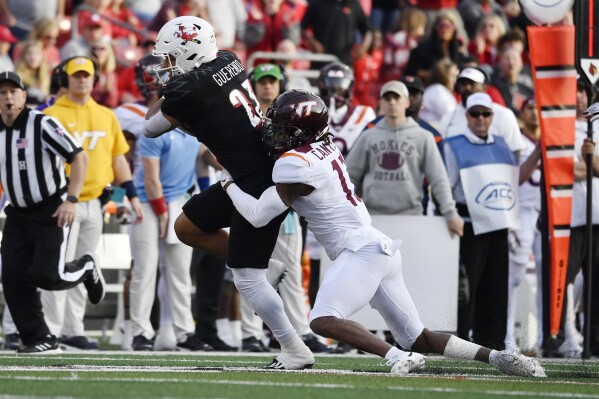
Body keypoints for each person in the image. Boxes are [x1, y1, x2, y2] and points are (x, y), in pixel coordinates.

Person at [220, 89, 545, 377]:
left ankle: (397, 357)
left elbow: (259, 215)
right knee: (419, 337)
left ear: (301, 133)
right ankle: (498, 357)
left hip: (359, 251)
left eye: (282, 129)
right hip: (378, 247)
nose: (274, 134)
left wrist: (229, 184)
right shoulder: (324, 146)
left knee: (321, 320)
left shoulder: (293, 164)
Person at [143, 16, 313, 369]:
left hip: (255, 182)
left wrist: (171, 100)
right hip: (248, 172)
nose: (165, 66)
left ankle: (295, 348)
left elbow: (151, 126)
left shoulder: (188, 90)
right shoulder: (230, 59)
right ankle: (269, 270)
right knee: (186, 227)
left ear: (189, 52)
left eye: (171, 57)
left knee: (246, 279)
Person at [41, 56, 143, 350]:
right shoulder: (52, 114)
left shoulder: (106, 115)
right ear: (65, 79)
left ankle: (74, 328)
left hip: (96, 203)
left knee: (85, 267)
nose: (82, 80)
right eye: (76, 75)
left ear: (94, 79)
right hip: (62, 201)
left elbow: (118, 160)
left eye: (86, 75)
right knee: (58, 268)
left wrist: (130, 196)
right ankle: (51, 329)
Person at [0, 71, 105, 354]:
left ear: (23, 96)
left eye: (13, 91)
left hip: (50, 210)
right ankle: (39, 338)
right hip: (18, 213)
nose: (8, 97)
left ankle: (86, 267)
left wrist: (71, 199)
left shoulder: (42, 123)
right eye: (2, 93)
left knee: (47, 276)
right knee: (11, 277)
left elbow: (79, 156)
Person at [444, 92, 521, 350]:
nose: (480, 119)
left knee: (496, 283)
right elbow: (448, 186)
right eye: (475, 113)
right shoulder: (452, 144)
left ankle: (492, 342)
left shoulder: (502, 144)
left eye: (485, 114)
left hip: (498, 223)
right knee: (468, 287)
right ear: (466, 116)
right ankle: (463, 341)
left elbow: (511, 183)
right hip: (468, 222)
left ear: (492, 116)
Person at [346, 80, 463, 238]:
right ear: (380, 103)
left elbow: (439, 179)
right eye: (387, 98)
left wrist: (450, 214)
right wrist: (346, 213)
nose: (392, 103)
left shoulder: (423, 137)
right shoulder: (369, 136)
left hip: (411, 217)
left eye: (397, 98)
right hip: (372, 218)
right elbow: (348, 177)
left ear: (407, 102)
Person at [505, 98, 543, 353]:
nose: (534, 113)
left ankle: (547, 338)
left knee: (549, 277)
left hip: (549, 212)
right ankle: (506, 335)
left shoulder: (560, 138)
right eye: (530, 108)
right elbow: (518, 177)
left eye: (538, 108)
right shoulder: (516, 141)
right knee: (513, 278)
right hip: (523, 213)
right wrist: (540, 149)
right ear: (522, 113)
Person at [439, 66, 524, 158]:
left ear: (484, 87)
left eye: (472, 84)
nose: (467, 87)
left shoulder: (504, 114)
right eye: (464, 84)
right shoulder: (448, 117)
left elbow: (515, 150)